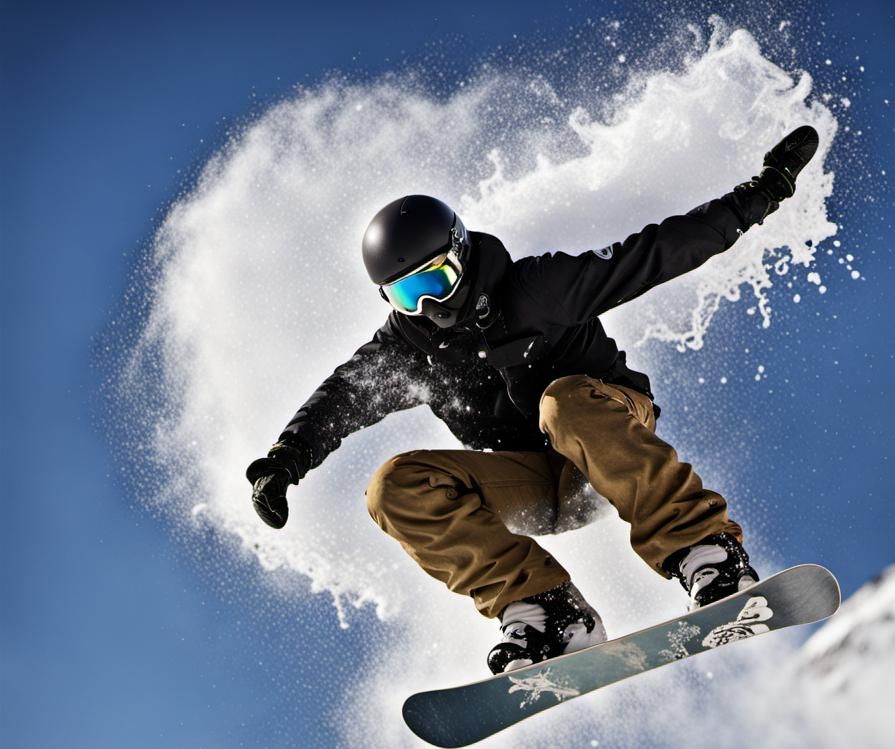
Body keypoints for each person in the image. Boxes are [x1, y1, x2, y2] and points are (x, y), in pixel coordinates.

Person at [246, 126, 819, 673]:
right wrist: (285, 459)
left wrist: (761, 193)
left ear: (462, 255)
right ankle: (548, 613)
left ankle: (706, 554)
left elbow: (653, 254)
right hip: (539, 485)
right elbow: (343, 395)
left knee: (561, 402)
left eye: (434, 282)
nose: (427, 307)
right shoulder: (407, 352)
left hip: (606, 435)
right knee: (394, 486)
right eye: (406, 294)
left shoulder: (537, 291)